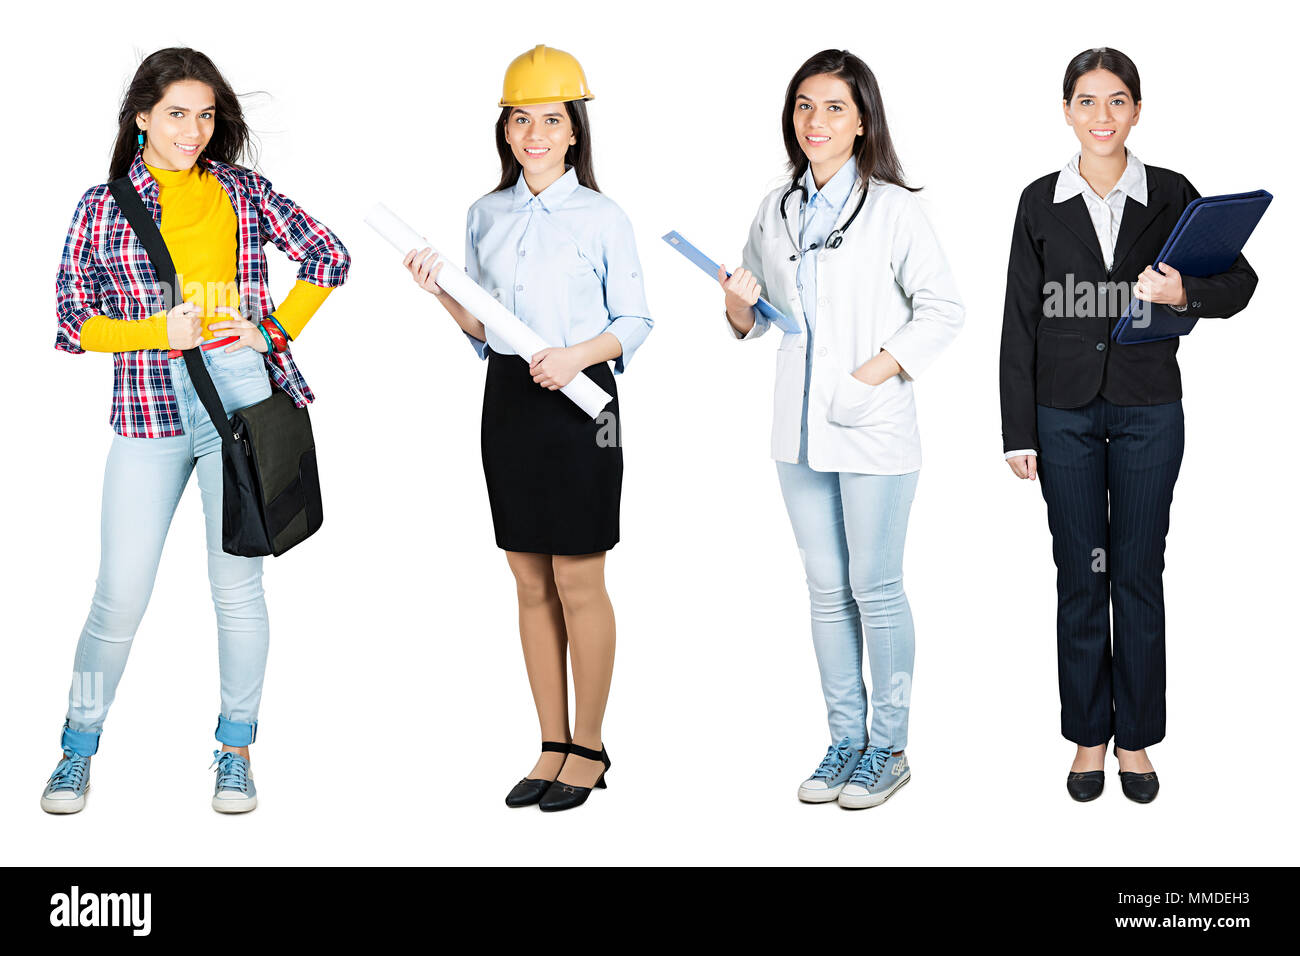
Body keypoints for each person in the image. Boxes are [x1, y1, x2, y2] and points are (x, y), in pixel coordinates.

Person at [43, 47, 349, 814]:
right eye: (177, 113)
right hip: (147, 413)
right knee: (116, 595)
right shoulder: (102, 205)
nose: (193, 130)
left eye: (206, 115)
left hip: (239, 406)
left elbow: (330, 256)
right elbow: (72, 322)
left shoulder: (243, 191)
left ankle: (235, 750)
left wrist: (271, 329)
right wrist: (155, 329)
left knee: (237, 588)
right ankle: (76, 746)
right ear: (142, 116)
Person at [999, 47, 1257, 804]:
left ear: (1138, 110)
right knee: (1082, 575)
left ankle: (1136, 739)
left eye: (1117, 101)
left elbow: (1239, 282)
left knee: (1137, 573)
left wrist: (1185, 294)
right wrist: (1018, 429)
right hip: (1062, 412)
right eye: (1087, 101)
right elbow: (1021, 321)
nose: (1102, 116)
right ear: (1067, 110)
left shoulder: (1174, 194)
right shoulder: (1039, 200)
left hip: (1149, 407)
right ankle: (1087, 736)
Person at [403, 45, 652, 812]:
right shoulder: (486, 213)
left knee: (580, 574)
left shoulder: (603, 216)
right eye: (521, 119)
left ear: (574, 130)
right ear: (505, 130)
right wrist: (440, 291)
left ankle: (590, 744)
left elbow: (636, 321)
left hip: (585, 402)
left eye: (551, 119)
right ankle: (549, 742)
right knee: (527, 577)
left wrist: (575, 355)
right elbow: (486, 329)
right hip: (509, 397)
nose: (535, 133)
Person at [719, 49, 963, 809]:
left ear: (862, 122)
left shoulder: (893, 209)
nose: (815, 122)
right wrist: (736, 301)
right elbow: (754, 318)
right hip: (798, 433)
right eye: (803, 106)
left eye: (832, 108)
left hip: (873, 430)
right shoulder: (778, 206)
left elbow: (943, 310)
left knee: (875, 587)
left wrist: (871, 375)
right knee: (827, 591)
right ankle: (844, 742)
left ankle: (888, 748)